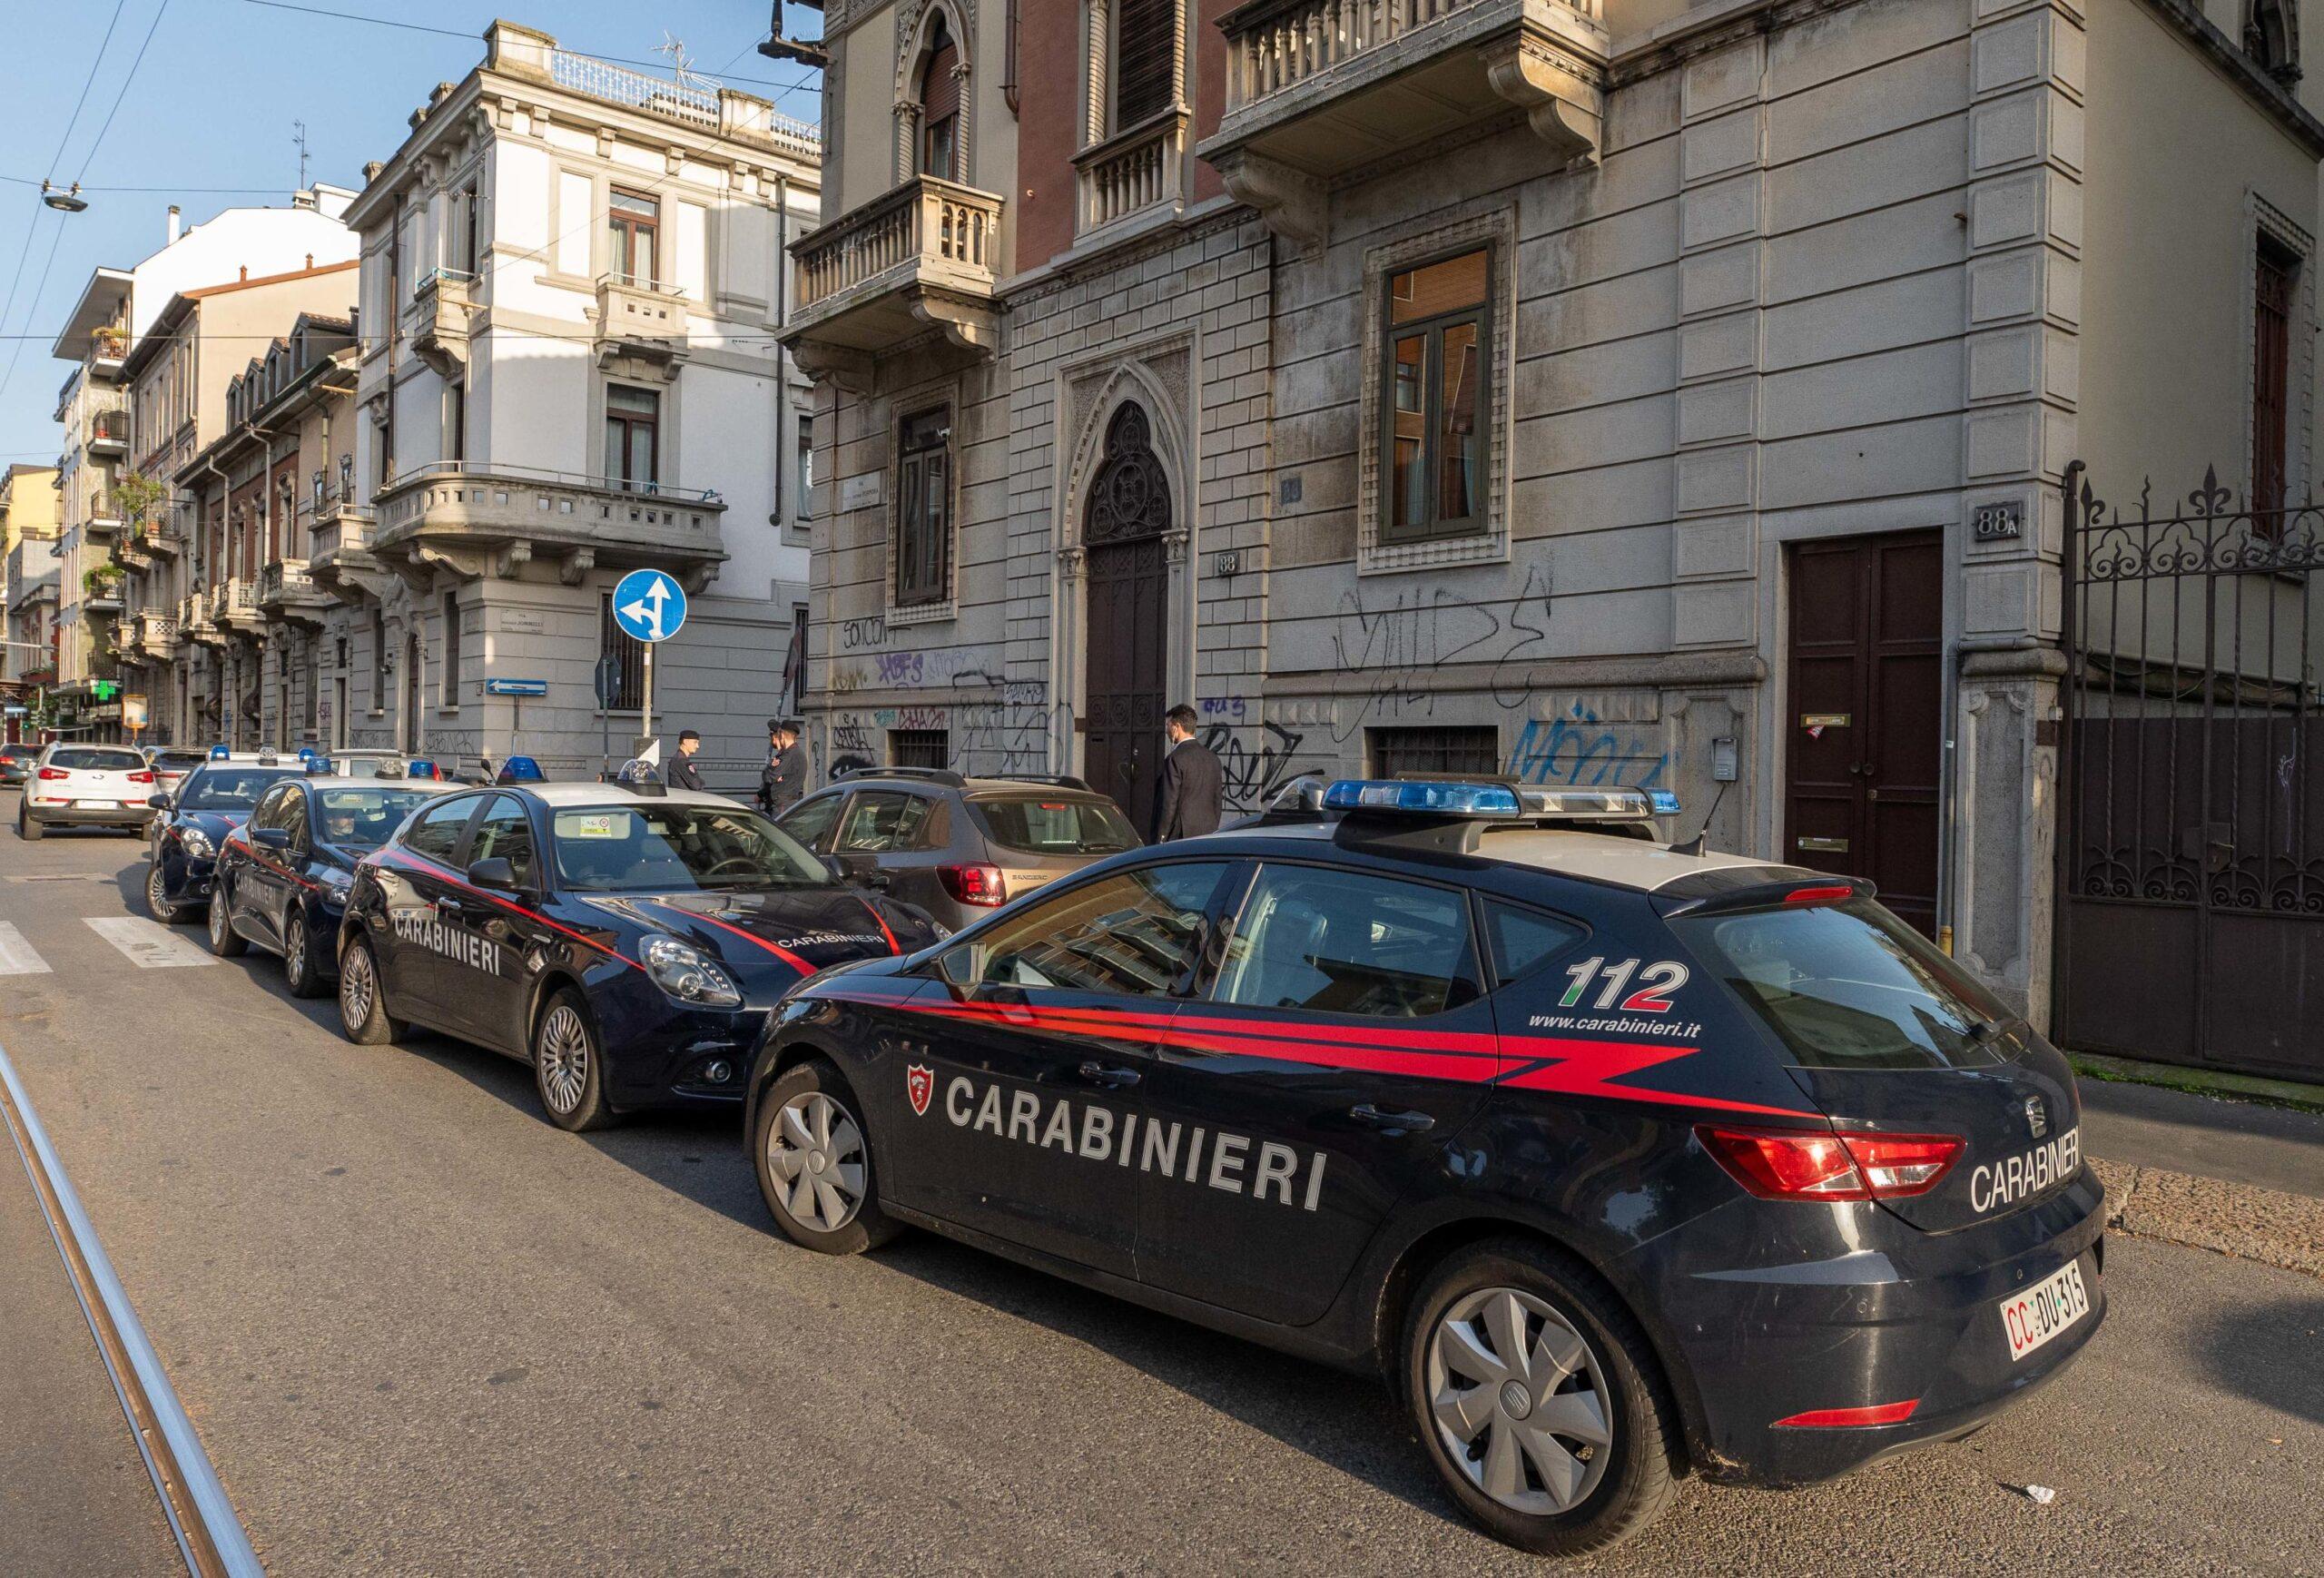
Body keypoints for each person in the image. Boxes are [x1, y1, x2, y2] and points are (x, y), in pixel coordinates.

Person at [1150, 703, 1222, 843]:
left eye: (1167, 725)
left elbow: (1169, 803)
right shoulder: (1213, 759)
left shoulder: (1175, 758)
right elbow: (1217, 801)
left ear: (1176, 727)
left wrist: (1161, 838)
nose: (1166, 730)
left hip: (1181, 837)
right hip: (1208, 834)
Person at [760, 717, 810, 815]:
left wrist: (769, 770)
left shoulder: (789, 755)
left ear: (782, 735)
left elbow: (770, 777)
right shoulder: (796, 753)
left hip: (782, 805)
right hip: (785, 803)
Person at [667, 729, 707, 793]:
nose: (697, 746)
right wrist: (701, 783)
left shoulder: (680, 759)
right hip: (684, 799)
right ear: (685, 741)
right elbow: (696, 785)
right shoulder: (681, 760)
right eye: (695, 742)